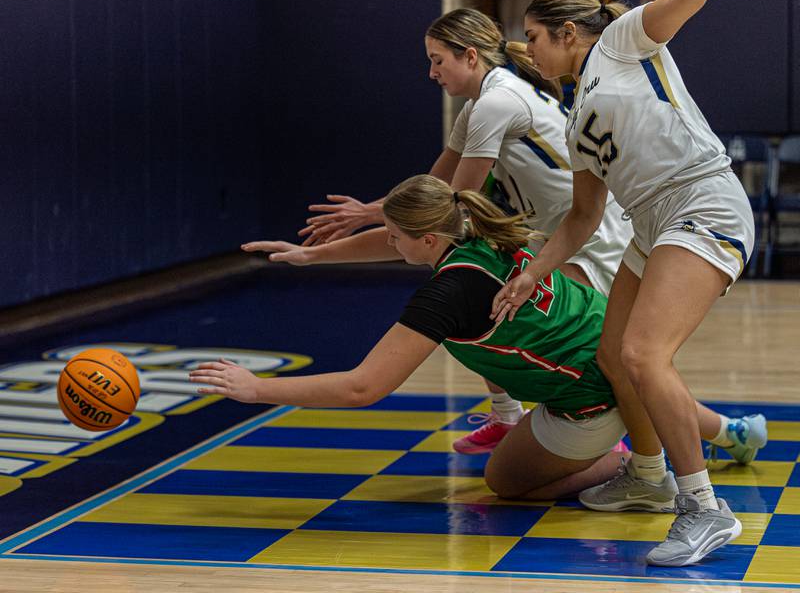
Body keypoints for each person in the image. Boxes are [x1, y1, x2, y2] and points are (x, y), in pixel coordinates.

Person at [195, 175, 766, 554]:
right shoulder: (470, 229)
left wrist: (256, 388)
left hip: (589, 395)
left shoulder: (449, 294)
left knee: (505, 482)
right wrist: (313, 255)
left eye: (394, 238)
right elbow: (391, 241)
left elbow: (361, 388)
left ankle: (629, 465)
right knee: (635, 381)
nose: (386, 245)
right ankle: (733, 434)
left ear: (424, 238)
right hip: (606, 337)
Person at [489, 0, 765, 567]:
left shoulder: (620, 40)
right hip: (651, 224)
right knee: (614, 354)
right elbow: (583, 218)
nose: (528, 49)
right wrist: (531, 271)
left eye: (534, 37)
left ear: (568, 33)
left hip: (702, 200)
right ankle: (649, 476)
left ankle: (704, 509)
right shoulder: (575, 116)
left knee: (643, 353)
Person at [290, 7, 633, 456]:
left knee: (586, 347)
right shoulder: (479, 105)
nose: (431, 72)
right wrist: (369, 213)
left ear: (470, 56)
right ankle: (515, 418)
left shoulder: (495, 103)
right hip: (558, 231)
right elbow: (433, 190)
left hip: (593, 236)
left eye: (437, 60)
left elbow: (444, 211)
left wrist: (354, 231)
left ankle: (626, 448)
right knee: (478, 298)